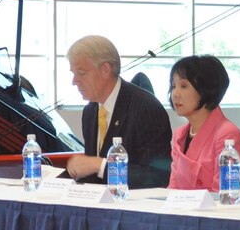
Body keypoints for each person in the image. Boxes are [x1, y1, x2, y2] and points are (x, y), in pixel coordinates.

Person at [64, 35, 172, 188]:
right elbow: (94, 174)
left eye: (81, 73)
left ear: (105, 69)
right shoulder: (90, 111)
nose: (74, 81)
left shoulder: (145, 107)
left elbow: (157, 175)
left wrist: (101, 166)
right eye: (73, 74)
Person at [167, 55, 240, 191]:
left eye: (184, 86)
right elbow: (173, 187)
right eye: (173, 86)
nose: (175, 94)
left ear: (206, 89)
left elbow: (223, 192)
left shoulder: (227, 133)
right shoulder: (179, 135)